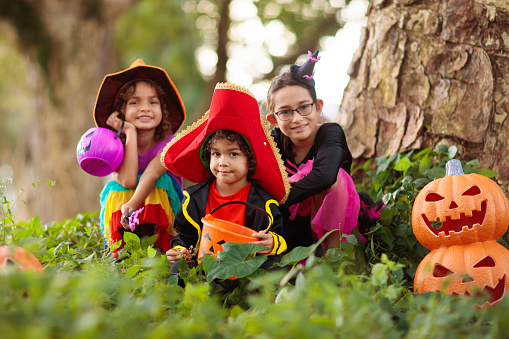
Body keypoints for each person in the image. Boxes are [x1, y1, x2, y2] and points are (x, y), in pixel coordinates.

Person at [160, 82, 290, 269]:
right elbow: (183, 235)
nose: (223, 162)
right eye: (216, 154)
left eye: (233, 154)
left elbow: (278, 236)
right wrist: (180, 250)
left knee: (277, 266)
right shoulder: (193, 199)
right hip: (205, 267)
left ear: (250, 160)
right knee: (176, 269)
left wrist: (272, 243)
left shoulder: (263, 203)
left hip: (246, 270)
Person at [265, 51, 383, 253]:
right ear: (274, 120)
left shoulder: (330, 133)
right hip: (291, 228)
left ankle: (335, 260)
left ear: (318, 107)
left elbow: (325, 176)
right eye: (285, 112)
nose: (296, 119)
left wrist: (278, 199)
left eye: (304, 107)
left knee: (335, 180)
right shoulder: (273, 143)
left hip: (334, 221)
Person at [95, 59, 186, 254]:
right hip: (128, 210)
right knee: (114, 187)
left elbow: (152, 173)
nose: (145, 108)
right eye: (135, 102)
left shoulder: (169, 144)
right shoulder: (115, 146)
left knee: (160, 179)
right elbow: (127, 181)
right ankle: (120, 249)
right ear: (122, 111)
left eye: (153, 102)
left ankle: (160, 248)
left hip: (164, 210)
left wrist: (132, 205)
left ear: (163, 110)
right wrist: (130, 133)